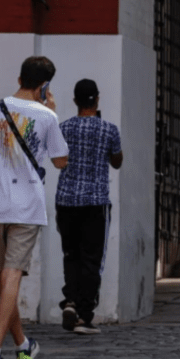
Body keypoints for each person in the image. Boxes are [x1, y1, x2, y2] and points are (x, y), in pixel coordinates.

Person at [0, 56, 69, 359]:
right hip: (26, 207)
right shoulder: (46, 115)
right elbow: (60, 161)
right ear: (44, 85)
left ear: (19, 76)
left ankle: (24, 347)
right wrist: (52, 111)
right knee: (11, 277)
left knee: (4, 277)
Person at [55, 78, 123, 335]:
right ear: (97, 99)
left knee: (71, 254)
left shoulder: (63, 128)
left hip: (66, 200)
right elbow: (117, 162)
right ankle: (83, 314)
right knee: (92, 259)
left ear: (75, 101)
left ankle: (70, 300)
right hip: (95, 202)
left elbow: (58, 161)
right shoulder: (109, 130)